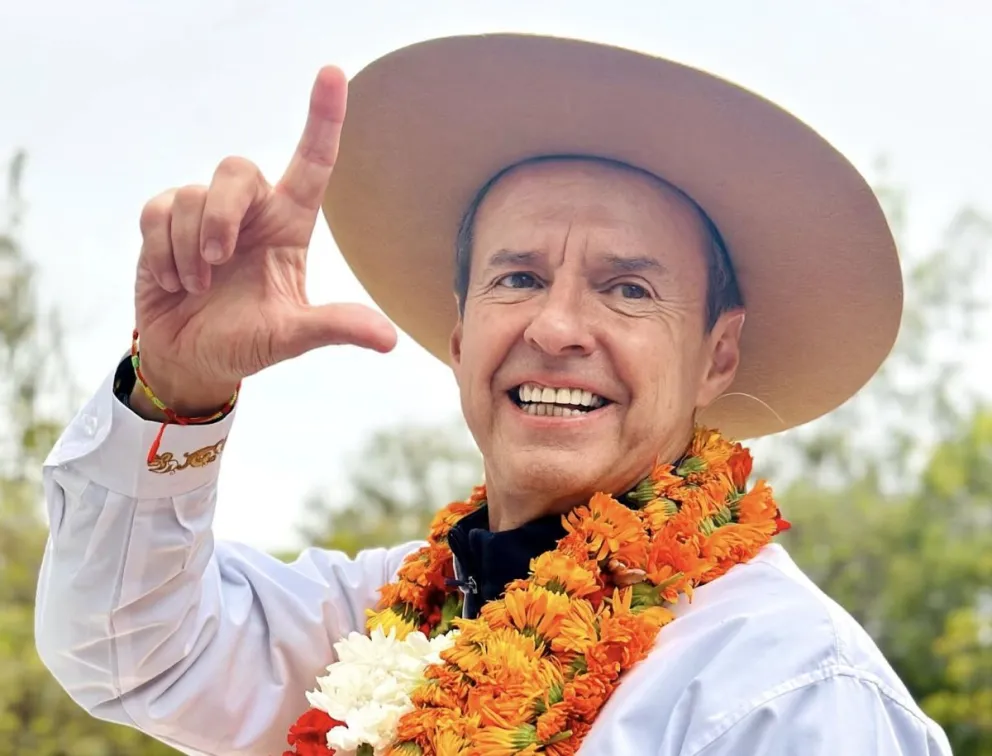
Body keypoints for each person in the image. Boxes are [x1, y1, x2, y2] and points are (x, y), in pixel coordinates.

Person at [35, 33, 952, 756]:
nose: (556, 328)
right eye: (516, 279)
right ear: (462, 333)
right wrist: (178, 391)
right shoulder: (377, 619)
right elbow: (131, 652)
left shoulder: (791, 693)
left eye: (627, 289)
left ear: (716, 356)